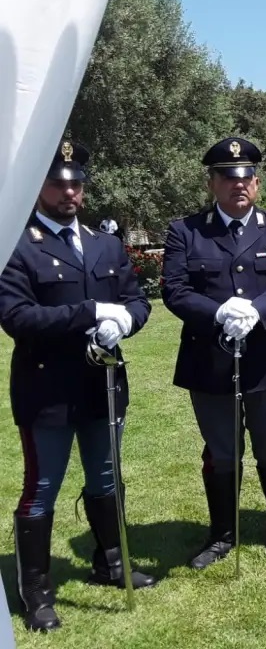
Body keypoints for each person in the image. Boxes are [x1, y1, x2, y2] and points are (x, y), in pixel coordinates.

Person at [0, 141, 156, 632]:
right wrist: (88, 313)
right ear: (39, 187)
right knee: (42, 487)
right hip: (47, 389)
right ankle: (36, 589)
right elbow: (16, 316)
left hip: (102, 383)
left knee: (106, 478)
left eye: (76, 184)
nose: (69, 192)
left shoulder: (105, 244)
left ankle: (111, 562)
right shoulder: (18, 245)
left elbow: (137, 301)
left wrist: (126, 320)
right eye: (58, 184)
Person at [161, 136, 266, 567]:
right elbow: (175, 289)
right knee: (221, 449)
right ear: (212, 183)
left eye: (245, 177)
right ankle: (222, 534)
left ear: (257, 183)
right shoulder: (186, 231)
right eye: (227, 177)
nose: (237, 184)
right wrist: (218, 312)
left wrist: (257, 311)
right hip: (210, 357)